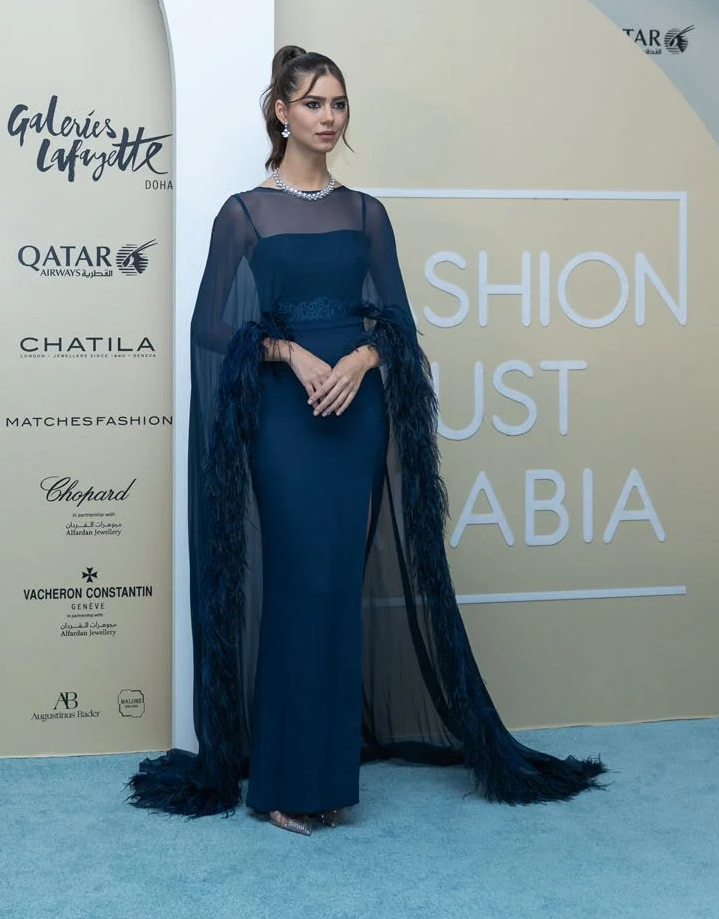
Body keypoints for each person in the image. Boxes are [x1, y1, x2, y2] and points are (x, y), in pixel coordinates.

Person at [128, 45, 606, 835]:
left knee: (336, 591)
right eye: (314, 102)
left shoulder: (366, 213)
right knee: (298, 586)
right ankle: (283, 780)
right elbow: (212, 325)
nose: (329, 117)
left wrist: (359, 357)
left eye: (339, 103)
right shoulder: (244, 213)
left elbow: (402, 323)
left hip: (357, 411)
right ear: (280, 111)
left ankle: (327, 775)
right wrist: (291, 354)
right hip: (286, 416)